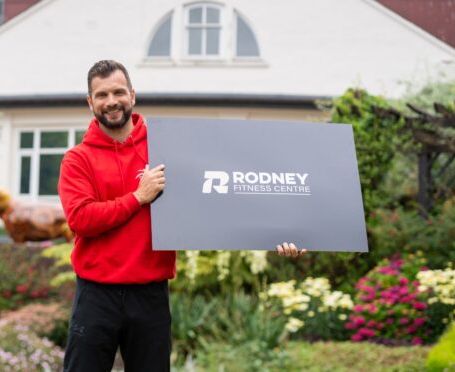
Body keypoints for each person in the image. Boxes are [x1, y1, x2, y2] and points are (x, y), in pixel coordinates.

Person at [58, 60, 307, 372]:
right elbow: (81, 219)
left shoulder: (168, 147)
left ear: (133, 95)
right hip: (96, 294)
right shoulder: (78, 159)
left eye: (119, 92)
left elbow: (224, 196)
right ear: (90, 101)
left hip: (150, 293)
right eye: (102, 94)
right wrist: (138, 197)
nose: (111, 102)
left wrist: (280, 233)